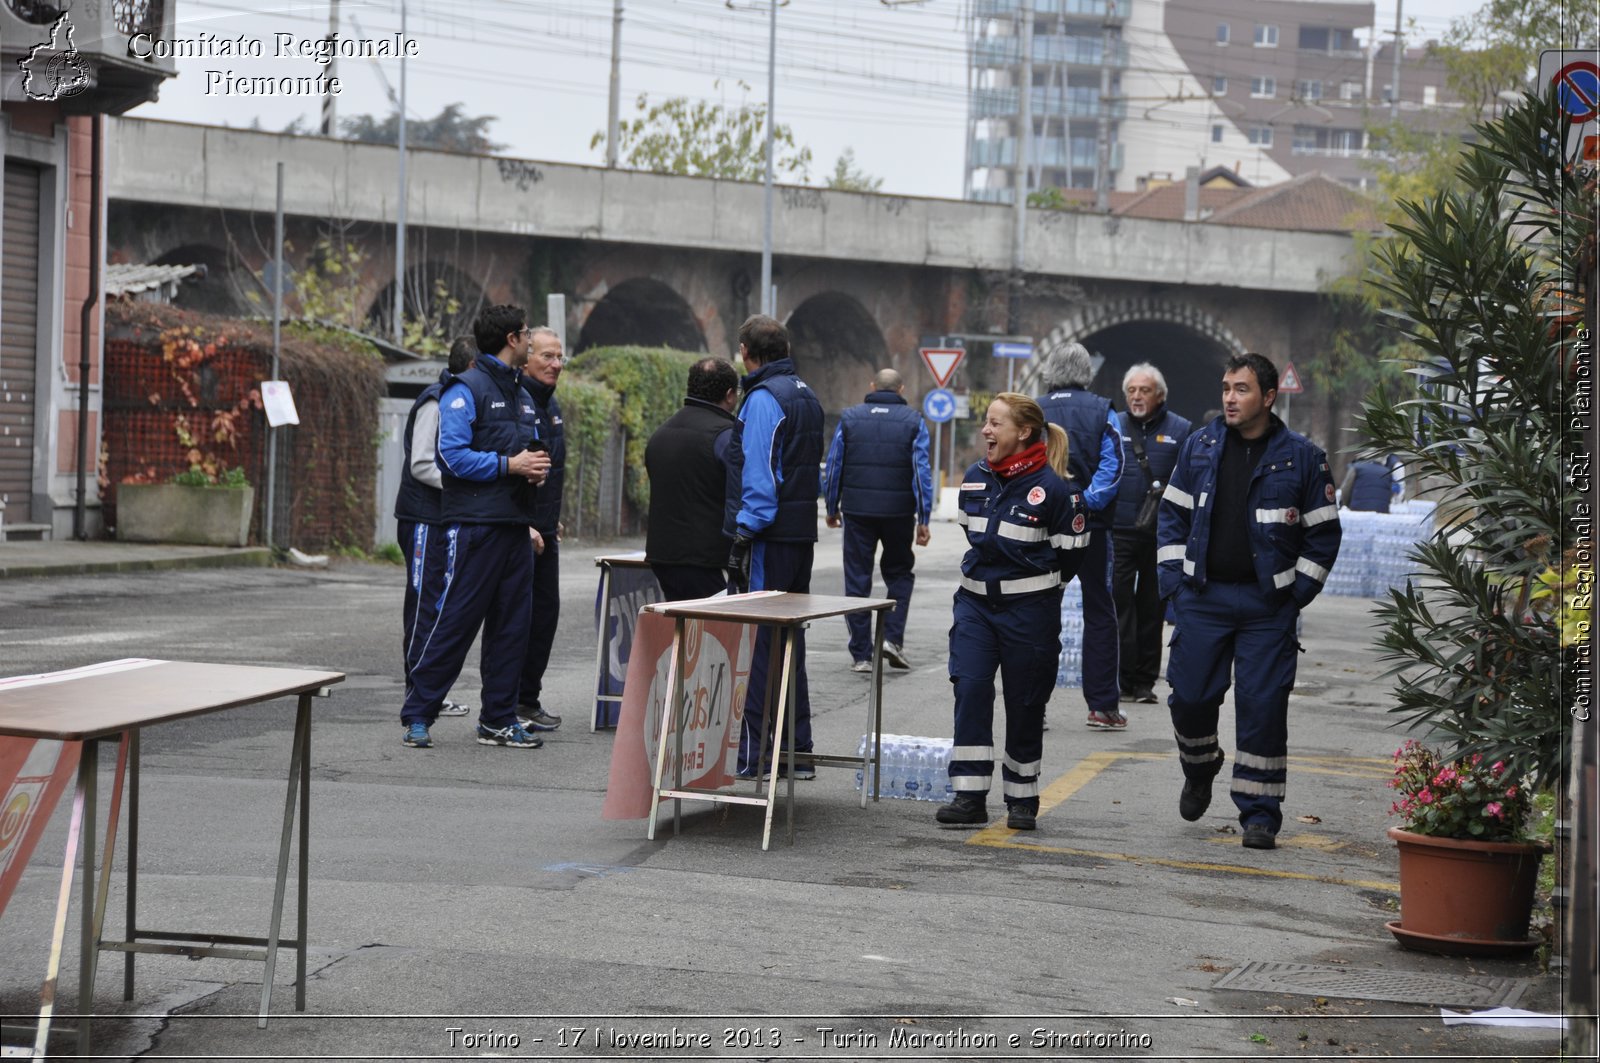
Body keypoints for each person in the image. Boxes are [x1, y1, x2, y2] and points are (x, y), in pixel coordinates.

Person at [1158, 352, 1342, 850]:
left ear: (1267, 396)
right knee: (1190, 697)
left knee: (1262, 707)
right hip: (1203, 597)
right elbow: (1171, 517)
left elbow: (1323, 535)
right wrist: (1174, 584)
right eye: (1225, 388)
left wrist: (1294, 596)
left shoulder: (1303, 457)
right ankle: (1200, 767)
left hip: (1267, 605)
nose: (1230, 398)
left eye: (1241, 389)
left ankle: (1259, 812)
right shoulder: (1199, 447)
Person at [399, 305, 551, 750]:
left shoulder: (523, 393)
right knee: (455, 622)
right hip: (474, 528)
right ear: (511, 338)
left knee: (511, 629)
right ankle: (418, 715)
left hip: (514, 527)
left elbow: (524, 456)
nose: (530, 341)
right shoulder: (464, 391)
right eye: (526, 334)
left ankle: (497, 720)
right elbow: (449, 457)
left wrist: (534, 472)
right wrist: (511, 464)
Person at [938, 393, 1089, 832]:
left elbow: (1071, 559)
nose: (986, 431)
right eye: (987, 423)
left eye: (995, 424)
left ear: (1023, 432)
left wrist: (1034, 591)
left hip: (1030, 614)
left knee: (1025, 702)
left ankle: (1022, 800)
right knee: (970, 689)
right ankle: (969, 796)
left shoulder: (1058, 491)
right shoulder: (974, 479)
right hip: (975, 607)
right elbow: (973, 535)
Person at [724, 314, 824, 780]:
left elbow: (760, 472)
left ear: (747, 351)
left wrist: (745, 530)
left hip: (770, 535)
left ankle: (757, 755)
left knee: (761, 643)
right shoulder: (806, 393)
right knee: (790, 642)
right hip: (800, 533)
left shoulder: (763, 399)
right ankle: (795, 749)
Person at [1037, 342, 1126, 730]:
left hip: (1038, 524)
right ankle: (1103, 707)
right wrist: (1083, 505)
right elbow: (1114, 464)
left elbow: (1021, 459)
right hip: (1092, 527)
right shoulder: (1103, 410)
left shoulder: (1033, 410)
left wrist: (1048, 505)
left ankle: (1033, 705)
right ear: (1087, 372)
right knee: (1099, 610)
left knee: (1037, 610)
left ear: (1051, 369)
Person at [822, 368, 934, 672]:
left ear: (872, 386)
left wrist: (832, 507)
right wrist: (924, 518)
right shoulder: (913, 421)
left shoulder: (850, 418)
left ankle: (861, 654)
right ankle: (892, 639)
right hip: (899, 513)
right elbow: (921, 471)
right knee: (899, 574)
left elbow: (834, 466)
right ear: (901, 390)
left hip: (858, 513)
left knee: (857, 578)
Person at [395, 336, 477, 742]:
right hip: (424, 517)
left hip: (443, 516)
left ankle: (429, 689)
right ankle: (418, 690)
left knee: (439, 602)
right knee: (425, 603)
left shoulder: (456, 399)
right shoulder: (435, 401)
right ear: (471, 366)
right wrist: (469, 483)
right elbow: (422, 464)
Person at [1110, 363, 1191, 705]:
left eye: (1144, 390)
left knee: (1152, 609)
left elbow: (1191, 478)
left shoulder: (1181, 429)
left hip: (1161, 535)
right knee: (1119, 604)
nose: (1137, 396)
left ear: (1160, 395)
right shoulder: (1113, 426)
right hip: (1120, 531)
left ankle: (1144, 681)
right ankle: (1123, 677)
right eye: (1131, 391)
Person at [645, 357, 741, 601]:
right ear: (730, 394)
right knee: (711, 630)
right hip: (703, 558)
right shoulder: (725, 436)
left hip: (661, 553)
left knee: (682, 627)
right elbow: (739, 492)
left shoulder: (661, 433)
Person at [515, 326, 567, 734]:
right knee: (520, 617)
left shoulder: (551, 404)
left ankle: (527, 699)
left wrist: (551, 517)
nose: (555, 364)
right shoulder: (518, 400)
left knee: (545, 615)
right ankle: (510, 703)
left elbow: (549, 469)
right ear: (526, 356)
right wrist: (527, 523)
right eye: (547, 356)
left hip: (545, 528)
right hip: (522, 531)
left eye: (560, 357)